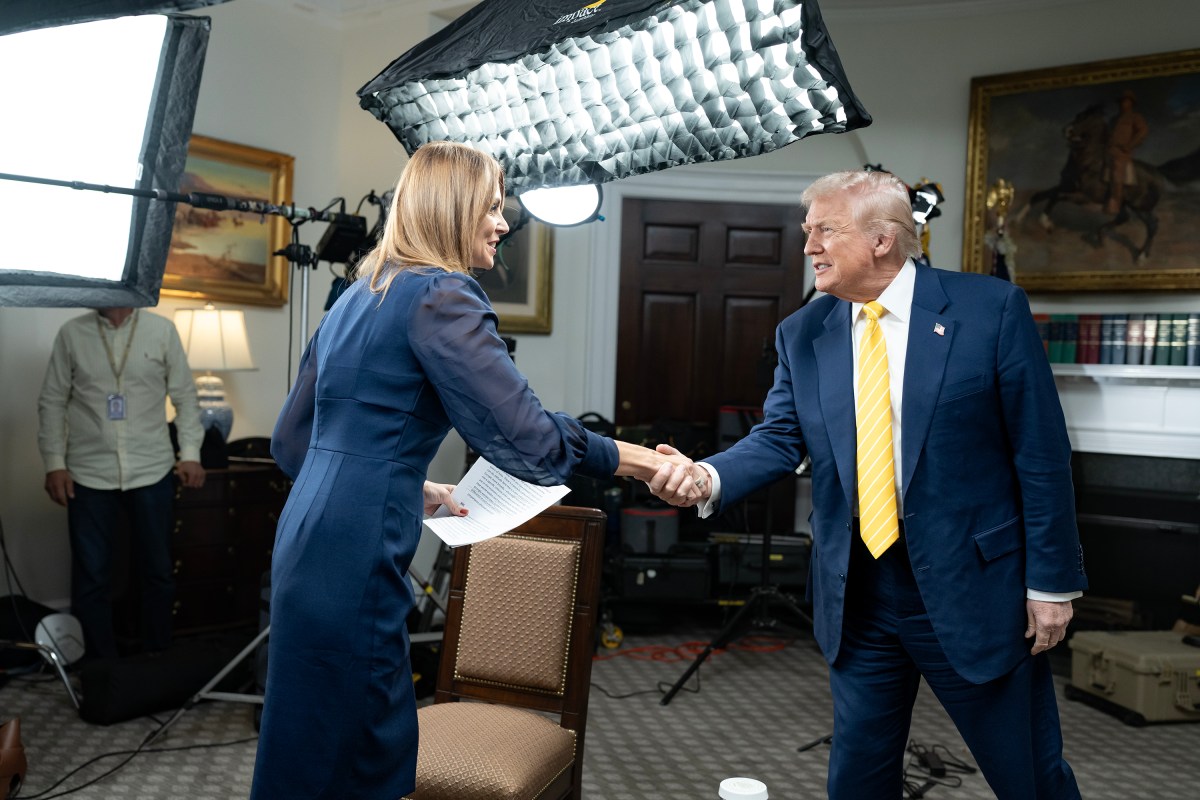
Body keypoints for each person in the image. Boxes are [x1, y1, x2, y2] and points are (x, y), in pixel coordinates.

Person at [251, 140, 692, 799]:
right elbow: (531, 444)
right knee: (362, 754)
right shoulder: (442, 295)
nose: (504, 222)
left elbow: (292, 445)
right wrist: (632, 459)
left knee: (306, 743)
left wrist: (402, 479)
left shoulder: (356, 294)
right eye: (492, 207)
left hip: (305, 543)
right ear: (455, 211)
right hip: (355, 552)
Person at [648, 170, 1087, 799]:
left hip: (975, 587)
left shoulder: (988, 311)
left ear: (882, 239)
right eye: (807, 232)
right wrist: (706, 476)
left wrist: (1050, 582)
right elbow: (779, 437)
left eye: (824, 230)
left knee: (1028, 776)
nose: (808, 248)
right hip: (859, 591)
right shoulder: (803, 333)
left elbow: (1040, 453)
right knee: (858, 778)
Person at [37, 307, 206, 659]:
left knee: (157, 572)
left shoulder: (162, 331)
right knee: (92, 577)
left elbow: (186, 398)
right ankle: (100, 669)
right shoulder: (72, 333)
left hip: (152, 469)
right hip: (88, 472)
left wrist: (190, 452)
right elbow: (52, 402)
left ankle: (156, 661)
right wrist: (54, 464)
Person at [1106, 89, 1149, 213]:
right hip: (1108, 149)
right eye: (1121, 101)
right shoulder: (1114, 119)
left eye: (1125, 101)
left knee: (1116, 170)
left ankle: (1115, 202)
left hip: (1121, 152)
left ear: (1131, 103)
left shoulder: (1135, 117)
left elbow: (1143, 132)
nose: (1122, 104)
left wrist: (1130, 145)